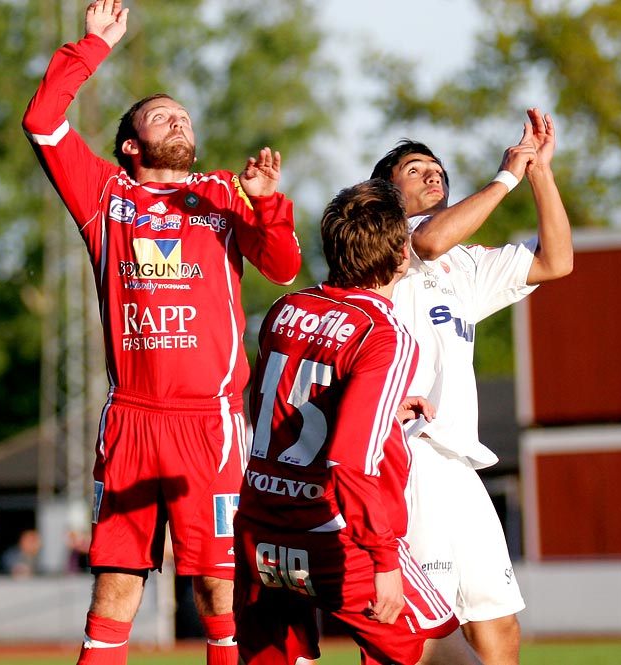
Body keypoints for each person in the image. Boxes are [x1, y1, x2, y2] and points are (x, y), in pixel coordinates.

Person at [22, 1, 301, 663]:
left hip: (209, 421)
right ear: (130, 142)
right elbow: (41, 120)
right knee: (116, 585)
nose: (177, 118)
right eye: (159, 114)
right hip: (132, 423)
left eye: (184, 114)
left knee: (215, 586)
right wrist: (92, 48)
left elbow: (284, 265)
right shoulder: (103, 197)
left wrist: (265, 202)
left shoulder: (222, 195)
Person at [233, 179, 483, 665]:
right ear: (402, 256)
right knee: (447, 657)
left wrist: (383, 405)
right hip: (335, 535)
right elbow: (350, 460)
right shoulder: (384, 332)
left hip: (261, 529)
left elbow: (294, 401)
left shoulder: (286, 309)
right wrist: (383, 560)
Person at [371, 108, 573, 664]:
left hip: (459, 460)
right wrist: (505, 176)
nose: (432, 174)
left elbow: (556, 261)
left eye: (437, 168)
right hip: (408, 453)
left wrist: (539, 174)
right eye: (415, 169)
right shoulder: (390, 245)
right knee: (413, 628)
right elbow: (431, 241)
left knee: (497, 619)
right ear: (384, 192)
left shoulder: (464, 264)